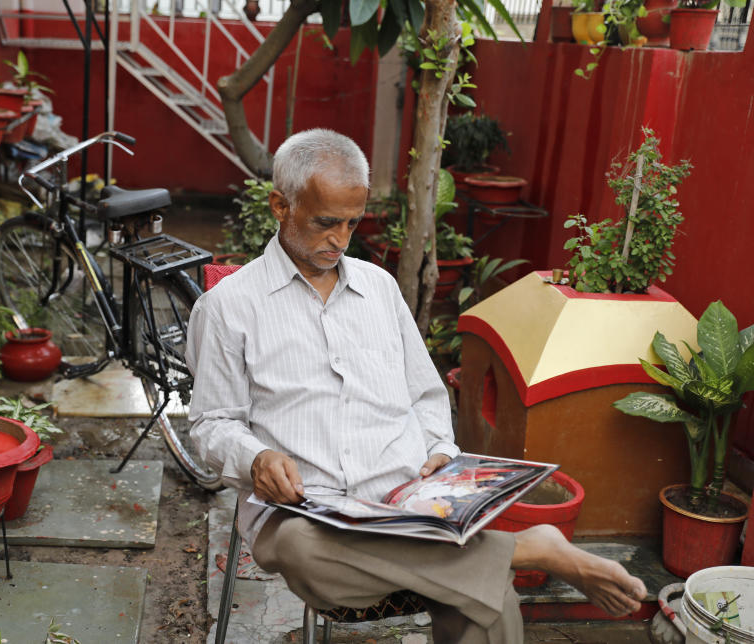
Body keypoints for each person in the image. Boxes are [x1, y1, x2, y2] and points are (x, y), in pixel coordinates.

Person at [186, 128, 646, 642]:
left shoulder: (379, 289)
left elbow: (426, 394)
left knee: (485, 604)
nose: (340, 239)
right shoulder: (230, 307)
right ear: (280, 205)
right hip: (308, 516)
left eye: (352, 223)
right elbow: (210, 424)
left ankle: (484, 557)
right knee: (300, 549)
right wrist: (255, 458)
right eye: (325, 223)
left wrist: (440, 450)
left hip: (406, 503)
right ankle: (522, 549)